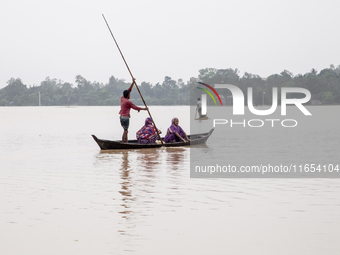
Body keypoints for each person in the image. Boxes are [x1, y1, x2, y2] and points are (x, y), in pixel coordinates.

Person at [119, 78, 148, 143]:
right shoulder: (128, 102)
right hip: (125, 118)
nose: (130, 95)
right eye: (129, 94)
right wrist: (144, 109)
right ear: (128, 95)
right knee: (125, 131)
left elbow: (129, 90)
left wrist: (133, 83)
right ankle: (123, 143)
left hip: (121, 117)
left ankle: (126, 142)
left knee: (125, 130)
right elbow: (135, 107)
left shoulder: (122, 98)